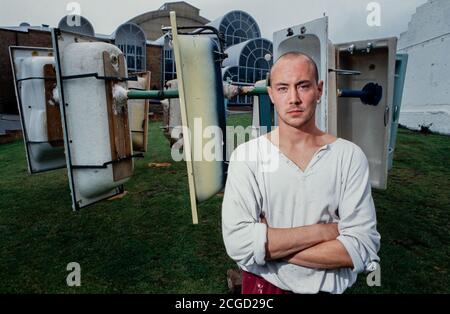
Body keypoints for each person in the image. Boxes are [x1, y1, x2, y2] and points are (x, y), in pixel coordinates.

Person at [221, 51, 380, 294]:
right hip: (265, 288)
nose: (293, 98)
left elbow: (363, 247)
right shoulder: (247, 156)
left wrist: (265, 245)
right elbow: (237, 243)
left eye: (303, 86)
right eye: (283, 88)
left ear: (319, 90)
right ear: (271, 93)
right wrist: (325, 231)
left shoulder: (349, 156)